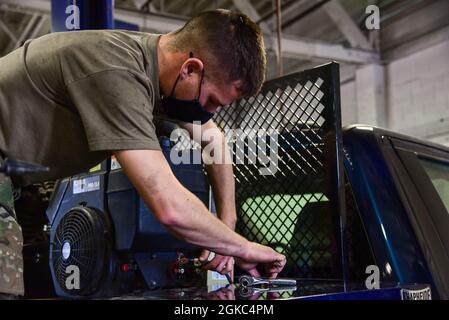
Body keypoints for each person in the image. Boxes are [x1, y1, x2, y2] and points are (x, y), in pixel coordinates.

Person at [0, 9, 286, 297]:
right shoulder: (116, 70)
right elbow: (170, 207)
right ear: (190, 69)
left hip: (16, 180)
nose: (209, 112)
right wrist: (243, 248)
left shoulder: (159, 69)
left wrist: (227, 226)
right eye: (211, 100)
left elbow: (213, 140)